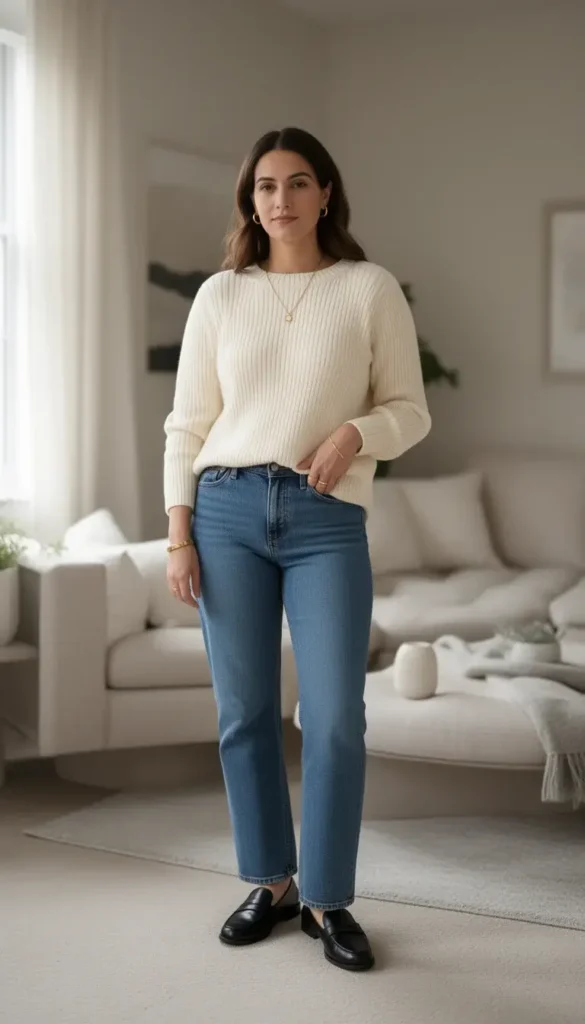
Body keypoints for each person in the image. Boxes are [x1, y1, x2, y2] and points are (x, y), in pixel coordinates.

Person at [163, 126, 431, 972]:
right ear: (250, 200)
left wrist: (355, 432)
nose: (280, 200)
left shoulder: (367, 287)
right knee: (243, 714)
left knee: (336, 719)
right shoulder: (219, 296)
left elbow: (410, 410)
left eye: (298, 183)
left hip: (324, 522)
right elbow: (186, 424)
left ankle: (326, 899)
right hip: (225, 513)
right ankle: (272, 882)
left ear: (325, 195)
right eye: (265, 186)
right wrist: (178, 532)